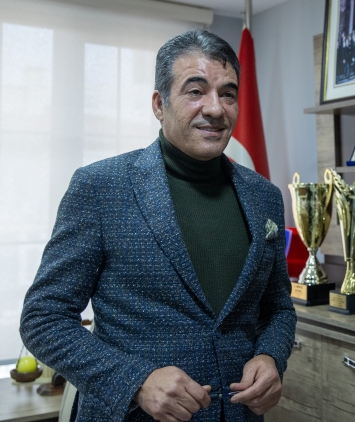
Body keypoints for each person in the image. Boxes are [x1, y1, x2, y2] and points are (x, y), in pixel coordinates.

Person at [19, 29, 296, 422]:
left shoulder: (264, 196)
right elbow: (43, 319)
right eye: (195, 91)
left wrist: (270, 356)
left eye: (228, 94)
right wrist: (137, 381)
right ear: (159, 104)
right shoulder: (100, 187)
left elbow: (278, 308)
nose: (215, 109)